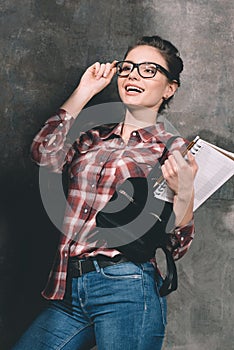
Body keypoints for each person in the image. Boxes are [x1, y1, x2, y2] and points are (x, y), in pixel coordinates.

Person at [13, 35, 198, 350]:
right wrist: (85, 90)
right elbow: (43, 153)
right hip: (68, 287)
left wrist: (184, 194)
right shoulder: (91, 139)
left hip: (125, 286)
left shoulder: (173, 149)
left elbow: (176, 245)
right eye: (128, 68)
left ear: (170, 88)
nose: (133, 75)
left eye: (149, 70)